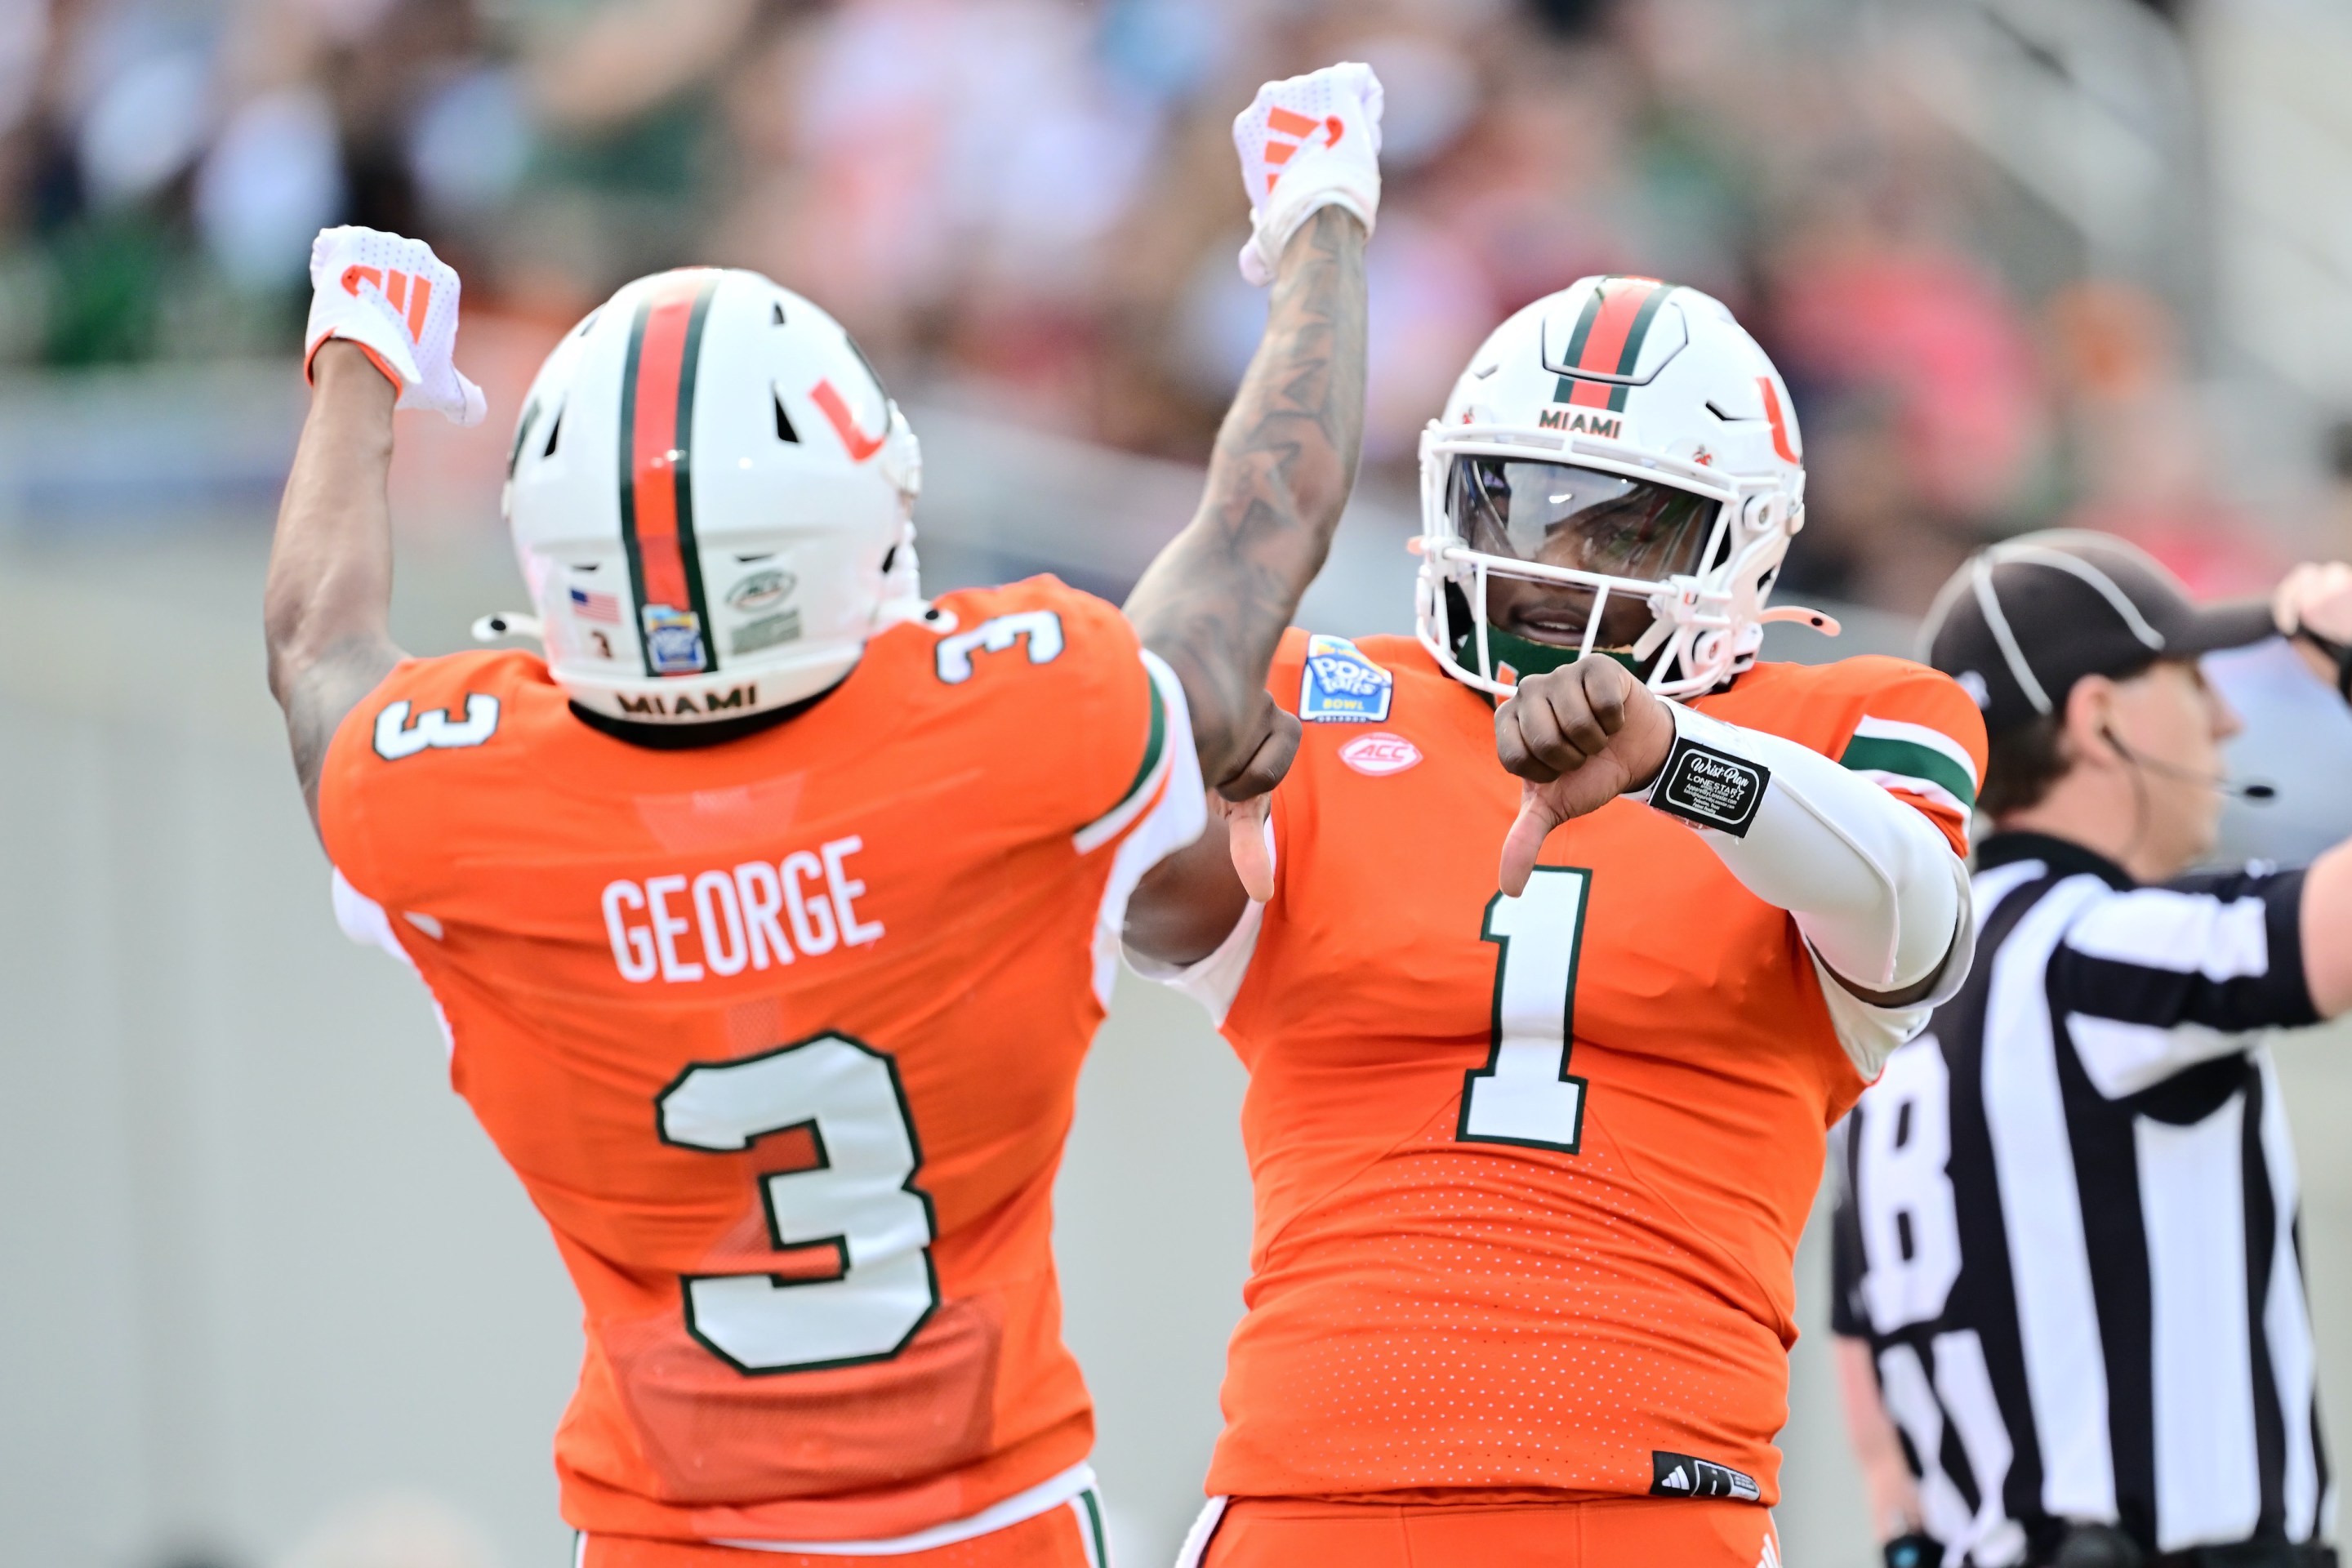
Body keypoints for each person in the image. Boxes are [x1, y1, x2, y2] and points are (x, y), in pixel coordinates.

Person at [261, 63, 1382, 1568]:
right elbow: (1261, 529)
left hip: (665, 1537)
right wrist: (1323, 216)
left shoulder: (462, 794)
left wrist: (357, 361)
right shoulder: (1019, 725)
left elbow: (318, 651)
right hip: (997, 1523)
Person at [1120, 273, 1990, 1568]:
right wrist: (1182, 751)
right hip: (1302, 1496)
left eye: (1623, 531)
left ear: (1739, 543)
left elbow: (1917, 928)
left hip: (1647, 1502)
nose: (1548, 564)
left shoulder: (1852, 722)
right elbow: (1138, 903)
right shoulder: (1316, 700)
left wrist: (1677, 759)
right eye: (1513, 501)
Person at [1830, 535, 2352, 1568]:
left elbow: (1864, 1372)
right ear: (2101, 717)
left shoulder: (1898, 983)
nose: (2228, 718)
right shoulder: (2089, 943)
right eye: (2193, 681)